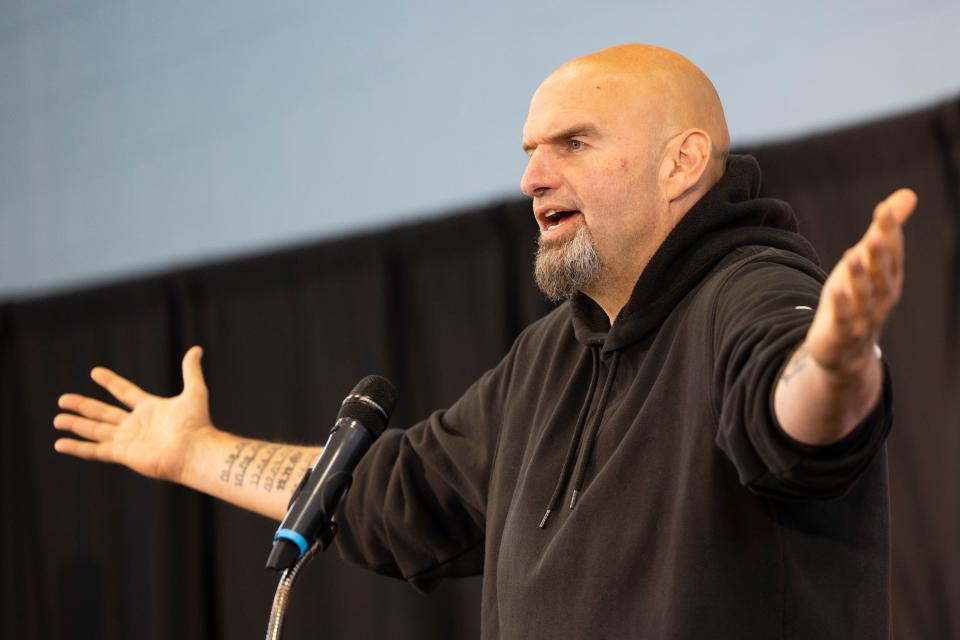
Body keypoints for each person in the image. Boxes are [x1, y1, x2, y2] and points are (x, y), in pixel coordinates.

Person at [53, 44, 916, 638]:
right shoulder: (547, 359)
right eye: (532, 151)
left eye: (574, 143)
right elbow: (388, 496)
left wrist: (838, 361)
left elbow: (797, 418)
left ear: (682, 163)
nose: (533, 176)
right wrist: (194, 450)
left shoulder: (752, 286)